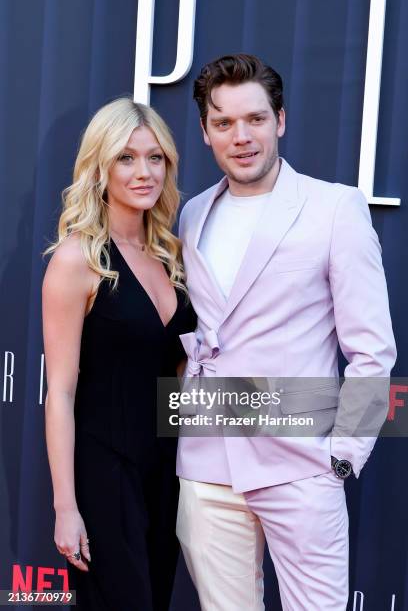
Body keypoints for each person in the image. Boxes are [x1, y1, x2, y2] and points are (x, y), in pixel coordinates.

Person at [176, 54, 396, 610]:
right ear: (205, 132)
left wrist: (343, 456)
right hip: (207, 465)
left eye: (254, 119)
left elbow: (372, 351)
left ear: (281, 120)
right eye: (223, 122)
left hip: (302, 463)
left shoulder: (334, 208)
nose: (241, 135)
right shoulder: (193, 215)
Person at [42, 97, 196, 610]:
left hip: (167, 471)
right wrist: (66, 506)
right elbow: (60, 391)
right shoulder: (77, 260)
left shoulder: (171, 257)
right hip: (104, 473)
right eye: (126, 158)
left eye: (156, 158)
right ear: (100, 166)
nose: (144, 172)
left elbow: (181, 372)